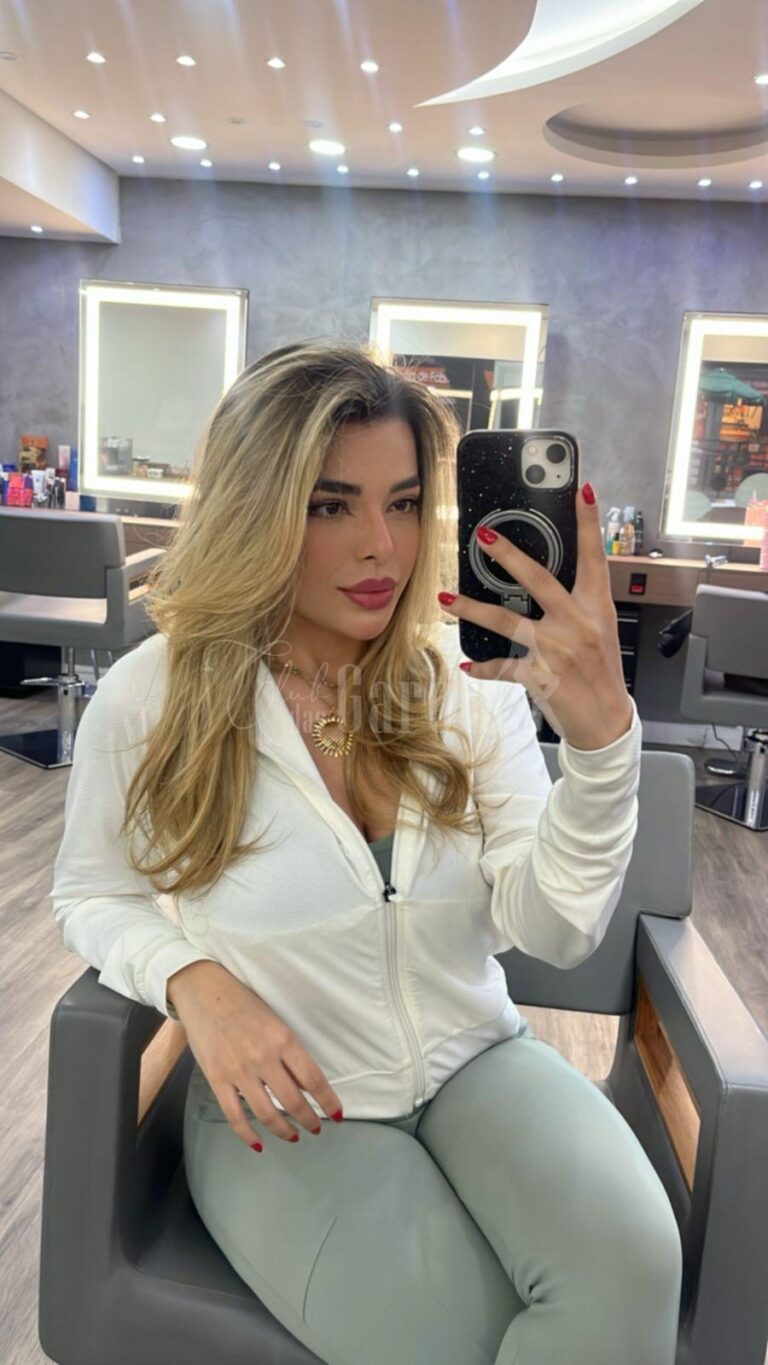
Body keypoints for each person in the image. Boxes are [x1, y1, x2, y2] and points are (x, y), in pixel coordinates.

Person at [51, 340, 682, 1365]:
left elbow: (557, 927)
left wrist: (603, 746)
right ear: (257, 509)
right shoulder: (152, 697)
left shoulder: (464, 683)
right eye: (330, 505)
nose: (380, 547)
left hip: (478, 1061)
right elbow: (89, 894)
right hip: (288, 1108)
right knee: (460, 1333)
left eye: (404, 502)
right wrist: (193, 982)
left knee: (637, 1268)